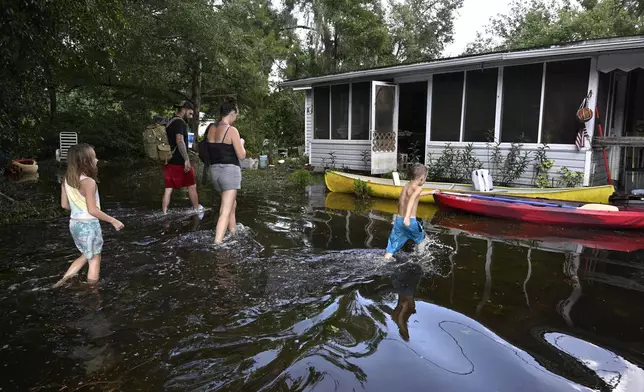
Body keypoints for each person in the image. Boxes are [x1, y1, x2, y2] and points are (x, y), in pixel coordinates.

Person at [54, 144, 124, 288]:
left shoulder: (66, 180)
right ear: (85, 161)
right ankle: (92, 290)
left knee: (86, 254)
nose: (97, 160)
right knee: (95, 259)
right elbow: (92, 210)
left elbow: (64, 205)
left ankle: (62, 282)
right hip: (89, 226)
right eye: (94, 157)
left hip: (74, 224)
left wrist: (78, 209)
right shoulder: (88, 182)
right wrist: (113, 220)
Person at [205, 98, 246, 243]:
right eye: (237, 114)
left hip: (214, 172)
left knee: (231, 203)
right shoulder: (232, 130)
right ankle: (218, 243)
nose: (237, 117)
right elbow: (241, 155)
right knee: (225, 210)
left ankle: (233, 231)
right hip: (229, 172)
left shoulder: (211, 129)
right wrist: (241, 142)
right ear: (232, 112)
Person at [384, 164, 435, 259]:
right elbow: (412, 199)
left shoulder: (406, 186)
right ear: (421, 178)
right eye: (425, 178)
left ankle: (385, 259)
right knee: (423, 240)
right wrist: (407, 218)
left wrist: (431, 192)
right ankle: (421, 258)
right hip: (410, 222)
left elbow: (414, 195)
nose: (425, 180)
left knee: (392, 245)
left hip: (398, 221)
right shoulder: (418, 188)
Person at [162, 101, 204, 214]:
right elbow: (179, 141)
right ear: (184, 109)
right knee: (192, 186)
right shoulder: (180, 123)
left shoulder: (170, 122)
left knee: (168, 189)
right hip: (179, 161)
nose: (190, 117)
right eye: (190, 113)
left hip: (168, 160)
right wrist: (186, 159)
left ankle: (164, 212)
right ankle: (196, 209)